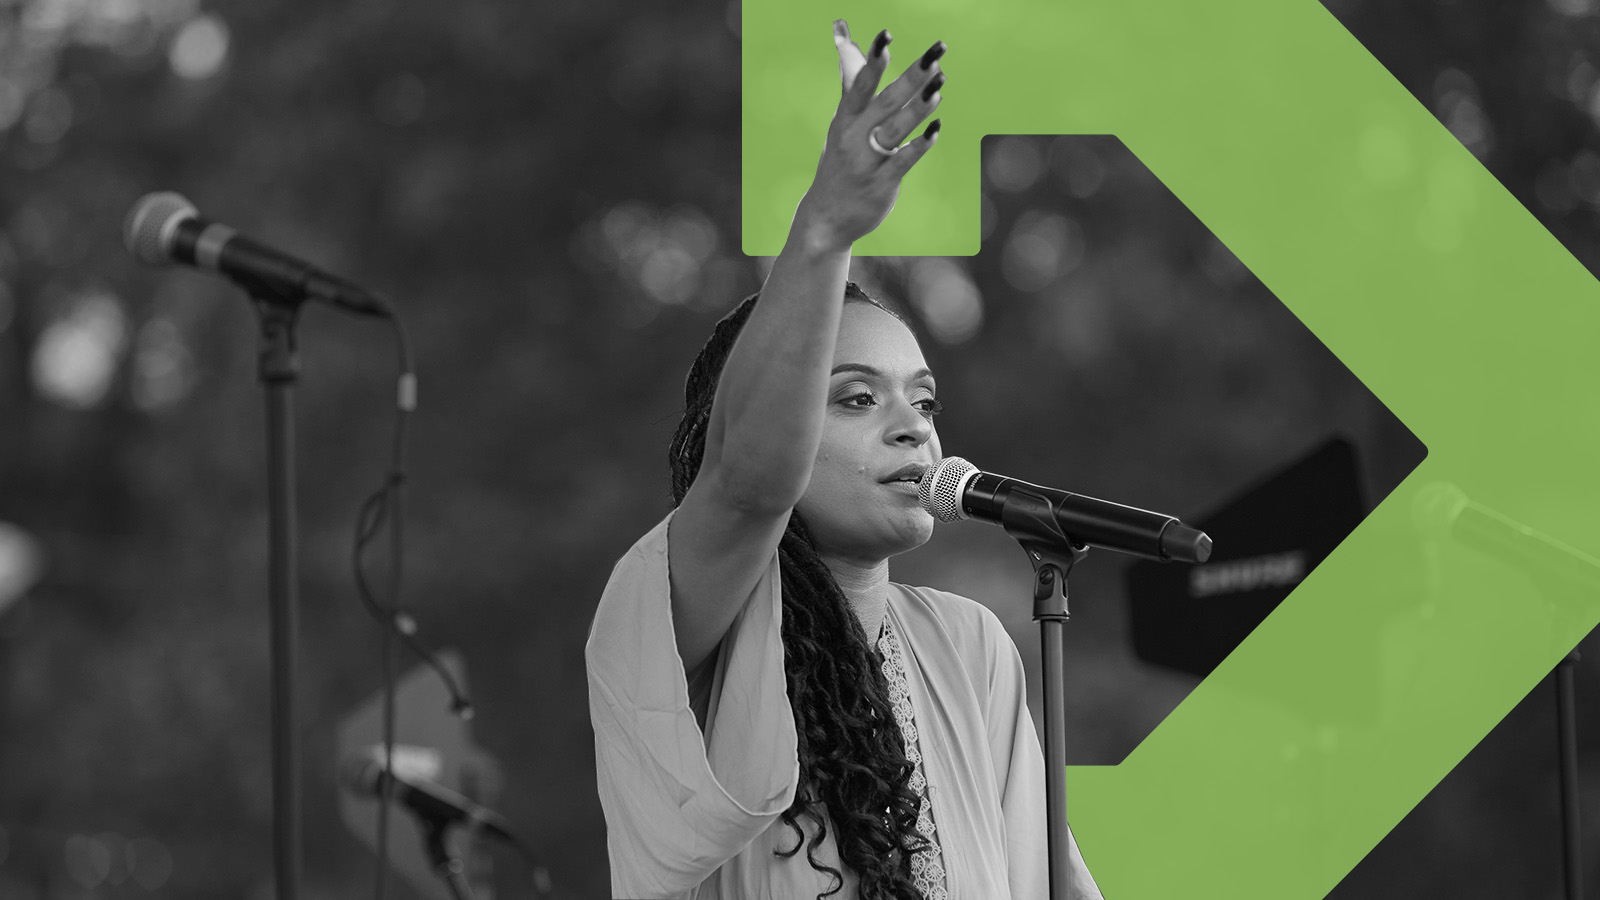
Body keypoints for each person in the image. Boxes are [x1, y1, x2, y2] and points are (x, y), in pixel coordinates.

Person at [586, 20, 1104, 900]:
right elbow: (750, 485)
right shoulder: (680, 617)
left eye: (924, 400)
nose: (912, 427)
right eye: (857, 398)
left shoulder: (971, 645)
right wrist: (825, 230)